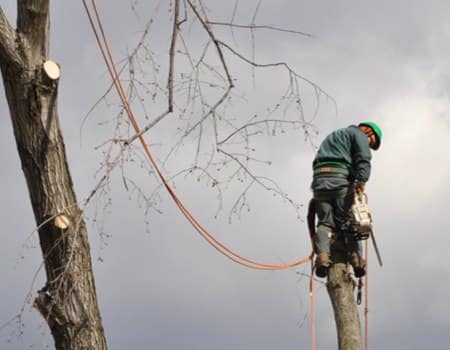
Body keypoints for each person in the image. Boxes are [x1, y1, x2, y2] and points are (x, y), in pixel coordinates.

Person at [311, 122, 382, 278]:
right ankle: (357, 261)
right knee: (350, 222)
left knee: (325, 223)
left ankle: (322, 258)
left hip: (319, 181)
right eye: (371, 142)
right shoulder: (359, 135)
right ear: (368, 132)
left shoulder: (334, 136)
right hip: (339, 181)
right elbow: (364, 158)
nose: (368, 144)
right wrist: (361, 181)